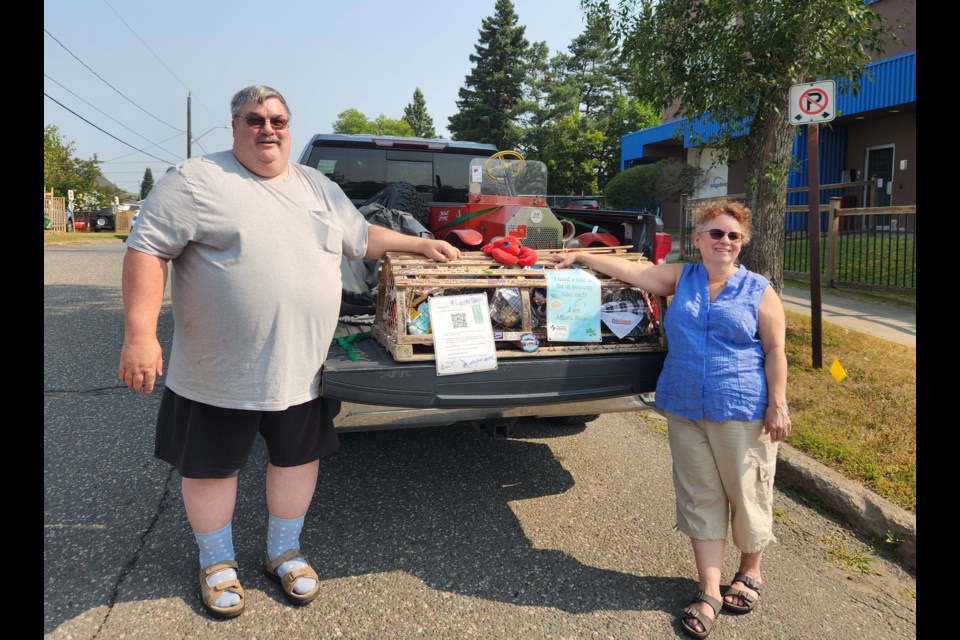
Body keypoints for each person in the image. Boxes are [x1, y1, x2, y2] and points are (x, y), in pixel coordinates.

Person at [117, 85, 460, 620]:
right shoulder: (196, 181)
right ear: (234, 127)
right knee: (211, 468)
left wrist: (418, 244)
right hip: (218, 372)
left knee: (297, 460)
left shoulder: (317, 186)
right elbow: (146, 248)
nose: (267, 129)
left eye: (277, 119)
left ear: (288, 126)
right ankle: (216, 560)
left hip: (302, 368)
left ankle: (284, 551)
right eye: (254, 120)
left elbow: (359, 238)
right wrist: (140, 334)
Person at [551, 202, 791, 639]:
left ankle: (751, 572)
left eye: (734, 236)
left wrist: (779, 404)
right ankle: (710, 590)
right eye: (716, 234)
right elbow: (634, 274)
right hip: (683, 405)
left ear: (743, 244)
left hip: (740, 405)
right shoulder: (681, 277)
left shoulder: (758, 289)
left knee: (746, 489)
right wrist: (581, 256)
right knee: (699, 494)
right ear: (697, 240)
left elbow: (776, 351)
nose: (725, 242)